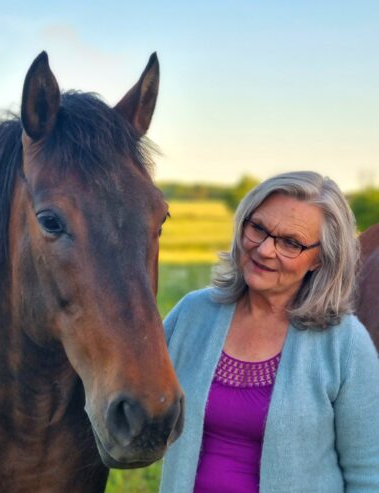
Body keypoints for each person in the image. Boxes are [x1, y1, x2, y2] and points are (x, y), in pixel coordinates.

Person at [160, 171, 379, 492]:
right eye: (258, 228)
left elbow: (368, 474)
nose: (264, 250)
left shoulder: (345, 343)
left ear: (320, 259)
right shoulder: (193, 313)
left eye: (291, 243)